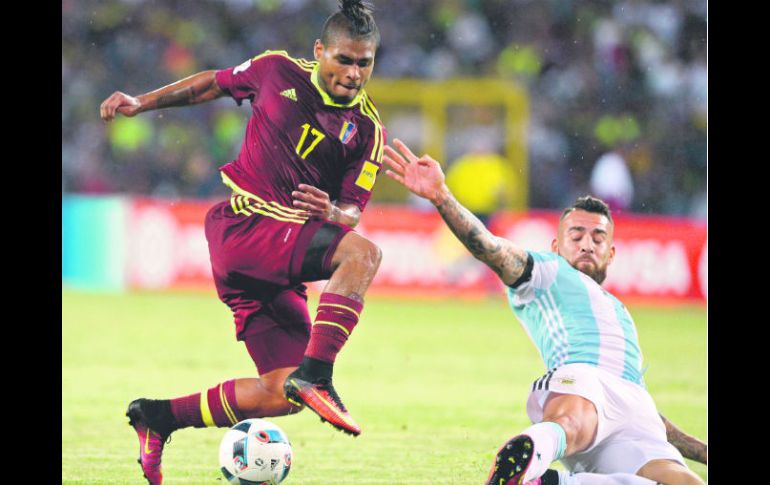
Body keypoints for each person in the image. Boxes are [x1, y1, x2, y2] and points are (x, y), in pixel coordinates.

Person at [99, 1, 385, 483]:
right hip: (245, 228)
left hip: (279, 256)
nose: (353, 73)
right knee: (365, 255)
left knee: (281, 392)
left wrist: (335, 213)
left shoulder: (367, 131)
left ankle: (158, 417)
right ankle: (319, 375)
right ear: (320, 52)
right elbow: (213, 82)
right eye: (343, 59)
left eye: (364, 63)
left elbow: (353, 209)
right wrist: (142, 102)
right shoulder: (276, 70)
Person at [382, 139, 706, 485]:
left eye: (598, 238)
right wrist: (442, 197)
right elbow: (490, 248)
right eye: (576, 234)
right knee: (574, 421)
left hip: (636, 412)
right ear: (556, 245)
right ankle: (530, 454)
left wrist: (701, 451)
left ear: (611, 254)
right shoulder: (548, 271)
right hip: (583, 382)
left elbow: (634, 396)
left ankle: (550, 482)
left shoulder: (620, 312)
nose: (587, 243)